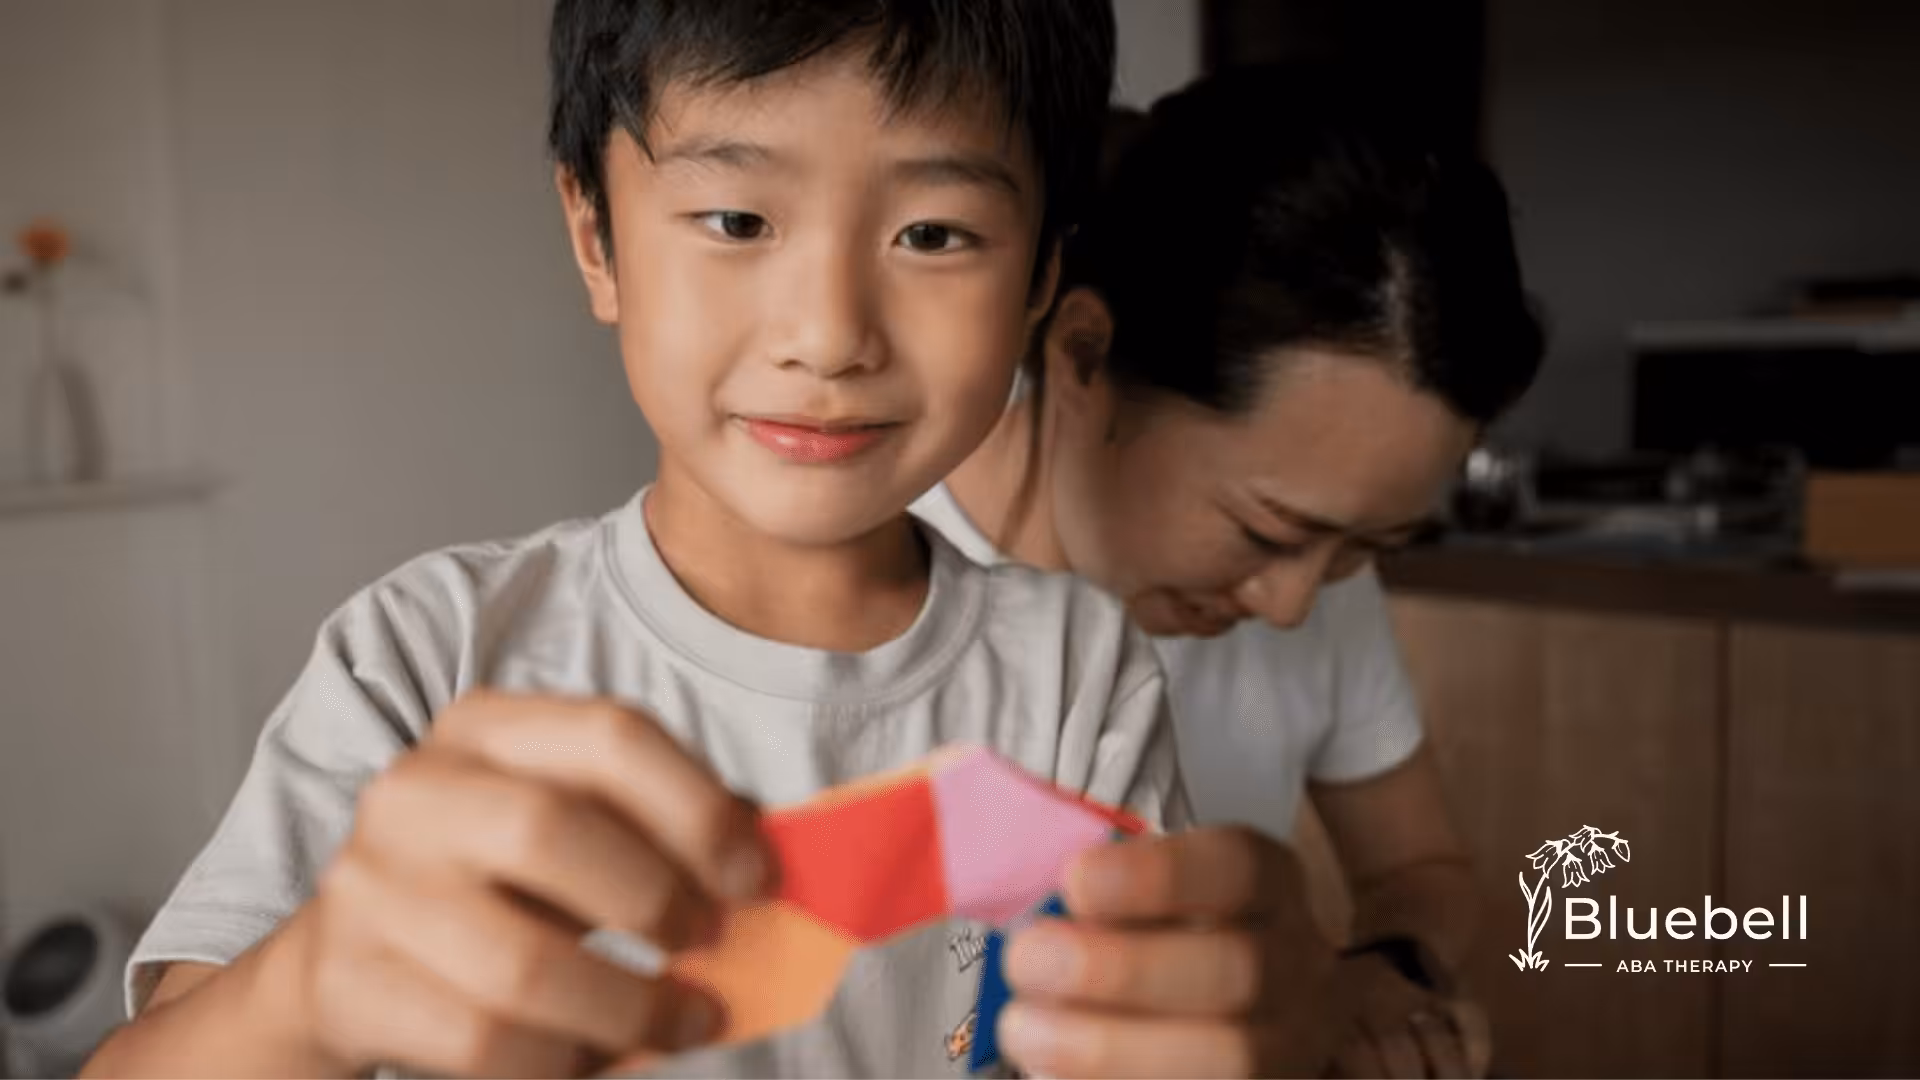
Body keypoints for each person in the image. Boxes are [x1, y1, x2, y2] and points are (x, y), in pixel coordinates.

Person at [79, 3, 1207, 1077]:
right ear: (597, 238)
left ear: (1041, 278)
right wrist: (312, 988)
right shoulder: (427, 657)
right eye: (738, 221)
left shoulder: (1075, 680)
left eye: (934, 233)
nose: (828, 335)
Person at [913, 64, 1546, 1079]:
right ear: (1082, 354)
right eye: (1266, 530)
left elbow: (1421, 868)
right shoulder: (854, 598)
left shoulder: (1320, 570)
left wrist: (1386, 975)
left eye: (1366, 547)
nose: (1292, 605)